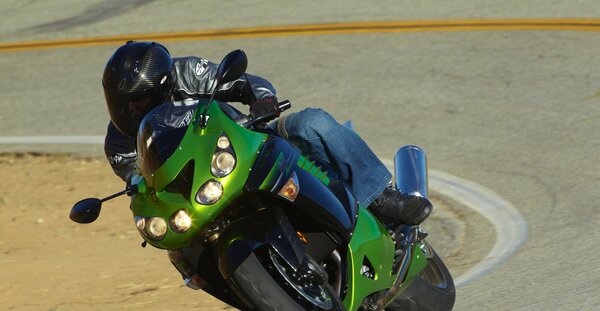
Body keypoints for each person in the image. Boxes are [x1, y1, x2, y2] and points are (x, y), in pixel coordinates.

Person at [102, 41, 431, 225]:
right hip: (200, 194)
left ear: (162, 86)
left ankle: (381, 196)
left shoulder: (184, 73)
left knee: (311, 123)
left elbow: (243, 82)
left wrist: (262, 101)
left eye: (139, 100)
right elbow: (141, 184)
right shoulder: (119, 145)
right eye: (123, 101)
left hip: (248, 145)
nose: (131, 110)